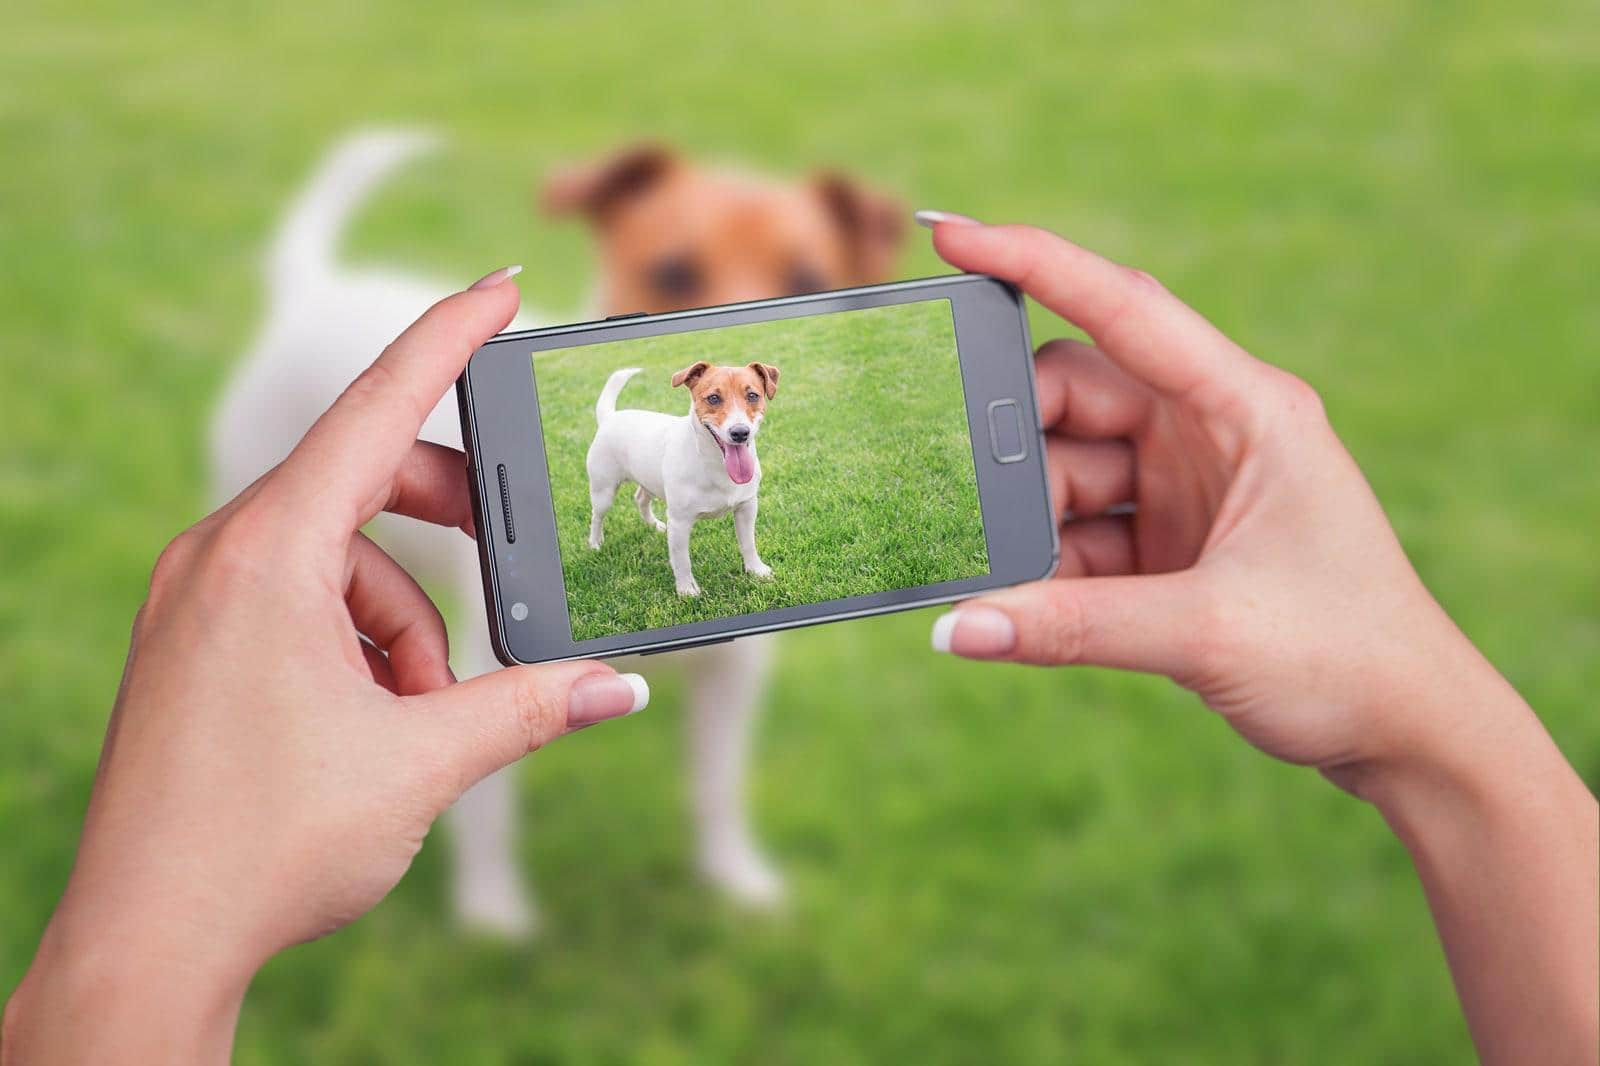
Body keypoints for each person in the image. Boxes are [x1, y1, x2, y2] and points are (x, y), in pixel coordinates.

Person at [1, 223, 1593, 1063]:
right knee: (617, 542)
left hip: (673, 504)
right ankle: (499, 855)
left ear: (759, 396)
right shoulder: (659, 426)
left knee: (718, 568)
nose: (737, 413)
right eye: (720, 395)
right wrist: (1447, 738)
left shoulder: (749, 439)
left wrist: (141, 948)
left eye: (747, 397)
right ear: (694, 392)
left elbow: (736, 520)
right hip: (624, 482)